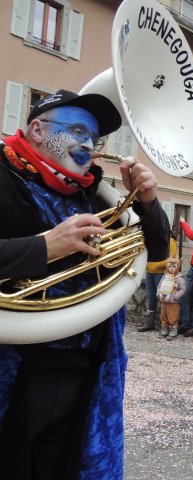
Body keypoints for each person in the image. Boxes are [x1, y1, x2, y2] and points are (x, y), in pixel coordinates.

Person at [0, 89, 169, 479]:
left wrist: (147, 201)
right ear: (38, 130)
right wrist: (44, 247)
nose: (89, 145)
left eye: (94, 137)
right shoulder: (5, 176)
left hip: (87, 370)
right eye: (77, 131)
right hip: (15, 369)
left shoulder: (95, 194)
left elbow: (156, 249)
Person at [138, 231, 178, 332]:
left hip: (161, 273)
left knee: (163, 299)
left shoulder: (170, 241)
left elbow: (172, 259)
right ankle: (149, 322)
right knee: (151, 298)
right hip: (150, 272)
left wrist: (155, 264)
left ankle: (165, 325)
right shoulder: (153, 241)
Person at [157, 256, 186, 340]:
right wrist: (159, 294)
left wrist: (175, 297)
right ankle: (165, 328)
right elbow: (159, 286)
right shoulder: (164, 276)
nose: (171, 268)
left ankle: (173, 330)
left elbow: (183, 289)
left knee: (172, 316)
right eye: (170, 266)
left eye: (174, 266)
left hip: (173, 301)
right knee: (163, 315)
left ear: (177, 267)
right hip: (164, 300)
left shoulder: (179, 278)